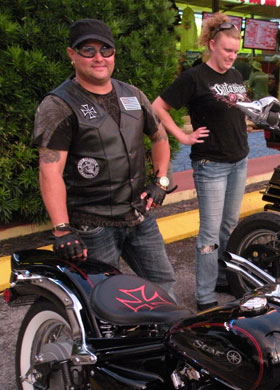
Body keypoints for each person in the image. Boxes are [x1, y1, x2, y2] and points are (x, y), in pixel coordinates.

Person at [33, 18, 177, 300]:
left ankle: (162, 330)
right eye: (88, 50)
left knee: (163, 285)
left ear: (114, 54)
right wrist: (62, 229)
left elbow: (160, 137)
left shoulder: (133, 94)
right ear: (72, 54)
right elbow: (50, 170)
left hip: (138, 215)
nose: (98, 57)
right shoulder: (59, 105)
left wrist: (160, 180)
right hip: (92, 225)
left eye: (105, 49)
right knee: (103, 299)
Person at [152, 13, 250, 311]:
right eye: (227, 50)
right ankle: (204, 294)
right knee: (209, 232)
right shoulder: (194, 77)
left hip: (239, 160)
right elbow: (158, 107)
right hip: (211, 164)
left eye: (236, 51)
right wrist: (183, 136)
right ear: (212, 45)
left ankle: (221, 277)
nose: (232, 56)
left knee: (228, 225)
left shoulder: (235, 76)